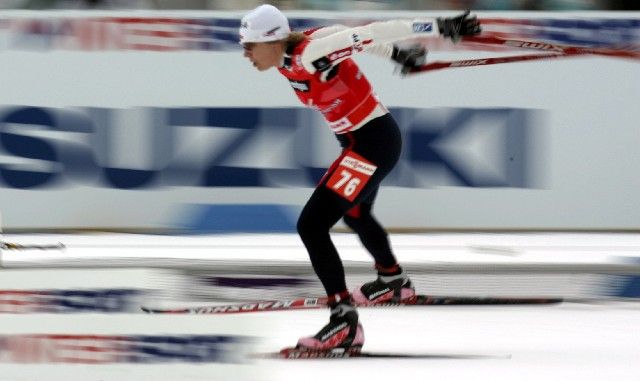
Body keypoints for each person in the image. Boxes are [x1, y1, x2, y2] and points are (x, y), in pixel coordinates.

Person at [239, 4, 480, 352]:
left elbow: (371, 32)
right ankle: (392, 280)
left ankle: (343, 322)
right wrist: (397, 54)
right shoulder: (295, 52)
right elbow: (360, 40)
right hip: (365, 142)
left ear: (271, 40)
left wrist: (440, 26)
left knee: (312, 225)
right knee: (355, 213)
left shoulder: (311, 53)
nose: (245, 53)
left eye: (249, 45)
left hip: (371, 144)